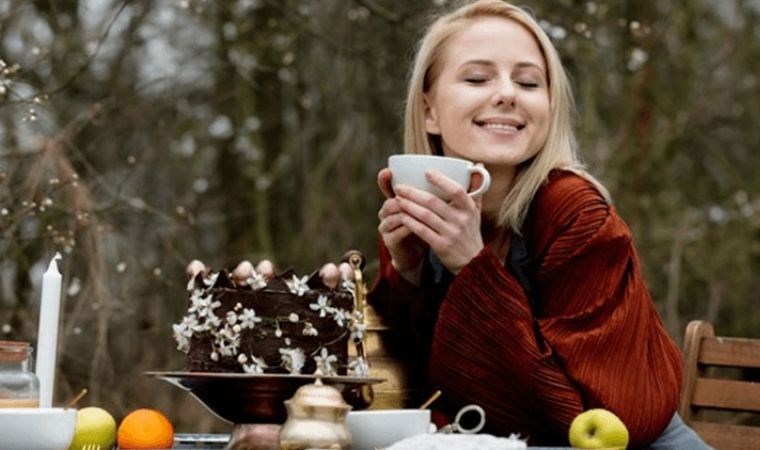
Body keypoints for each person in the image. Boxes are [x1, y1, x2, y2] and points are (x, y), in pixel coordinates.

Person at [367, 1, 710, 448]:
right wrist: (407, 276)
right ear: (429, 110)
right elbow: (400, 393)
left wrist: (472, 266)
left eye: (528, 81)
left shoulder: (576, 214)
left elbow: (594, 421)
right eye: (477, 78)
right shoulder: (425, 212)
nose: (508, 93)